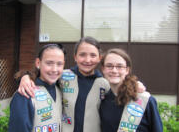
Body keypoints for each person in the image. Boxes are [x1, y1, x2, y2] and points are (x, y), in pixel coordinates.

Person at [17, 37, 145, 132]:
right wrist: (25, 77)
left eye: (93, 55)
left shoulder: (104, 83)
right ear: (75, 57)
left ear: (99, 58)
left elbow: (120, 96)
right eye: (82, 55)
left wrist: (134, 84)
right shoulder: (63, 76)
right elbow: (43, 75)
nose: (87, 60)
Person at [99, 48, 163, 132]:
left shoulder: (145, 100)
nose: (114, 70)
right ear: (103, 69)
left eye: (119, 66)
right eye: (109, 66)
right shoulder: (102, 100)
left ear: (127, 70)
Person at [8, 44, 65, 132]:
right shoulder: (25, 94)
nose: (54, 69)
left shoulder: (60, 89)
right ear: (38, 63)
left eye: (59, 64)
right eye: (49, 63)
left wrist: (24, 75)